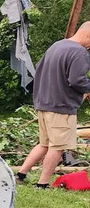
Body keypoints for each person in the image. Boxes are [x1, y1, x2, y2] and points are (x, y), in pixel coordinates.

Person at [16, 22, 90, 188]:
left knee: (44, 144)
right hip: (61, 107)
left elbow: (41, 71)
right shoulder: (79, 52)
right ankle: (42, 183)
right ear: (87, 35)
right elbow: (77, 80)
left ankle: (21, 174)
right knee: (58, 147)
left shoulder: (56, 46)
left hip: (44, 103)